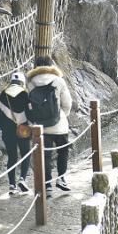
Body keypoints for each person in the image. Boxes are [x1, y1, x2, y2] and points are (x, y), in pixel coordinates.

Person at [26, 55, 72, 198]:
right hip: (59, 125)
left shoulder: (30, 83)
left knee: (44, 155)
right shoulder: (58, 81)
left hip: (40, 127)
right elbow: (67, 103)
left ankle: (47, 185)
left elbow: (28, 106)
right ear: (51, 65)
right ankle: (61, 178)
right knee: (63, 151)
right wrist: (60, 116)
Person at [0, 72, 32, 195]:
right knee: (25, 154)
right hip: (23, 129)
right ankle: (22, 179)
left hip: (8, 132)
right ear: (22, 82)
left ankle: (12, 185)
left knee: (12, 157)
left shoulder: (2, 95)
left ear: (11, 82)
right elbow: (30, 113)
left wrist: (6, 127)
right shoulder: (25, 95)